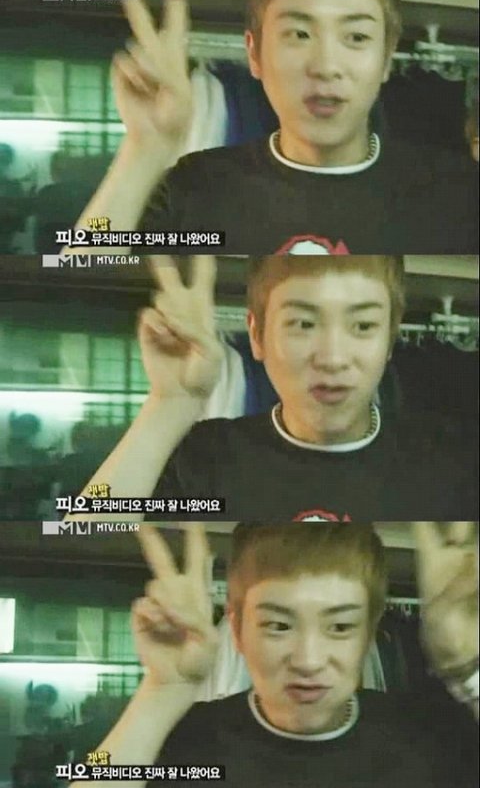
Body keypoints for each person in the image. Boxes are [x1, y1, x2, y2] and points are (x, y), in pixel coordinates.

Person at [60, 0, 478, 257]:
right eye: (298, 35)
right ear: (254, 55)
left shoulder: (458, 192)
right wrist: (143, 150)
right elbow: (84, 259)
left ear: (385, 59)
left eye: (356, 38)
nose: (326, 66)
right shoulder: (198, 184)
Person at [68, 254, 478, 523]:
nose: (333, 358)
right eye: (303, 324)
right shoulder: (207, 459)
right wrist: (168, 404)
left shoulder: (451, 464)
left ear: (389, 340)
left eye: (363, 326)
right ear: (257, 336)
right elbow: (84, 529)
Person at [69, 522, 479, 788]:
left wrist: (469, 672)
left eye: (340, 627)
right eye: (279, 626)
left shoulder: (431, 741)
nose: (308, 660)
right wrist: (161, 691)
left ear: (369, 634)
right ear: (237, 631)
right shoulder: (183, 741)